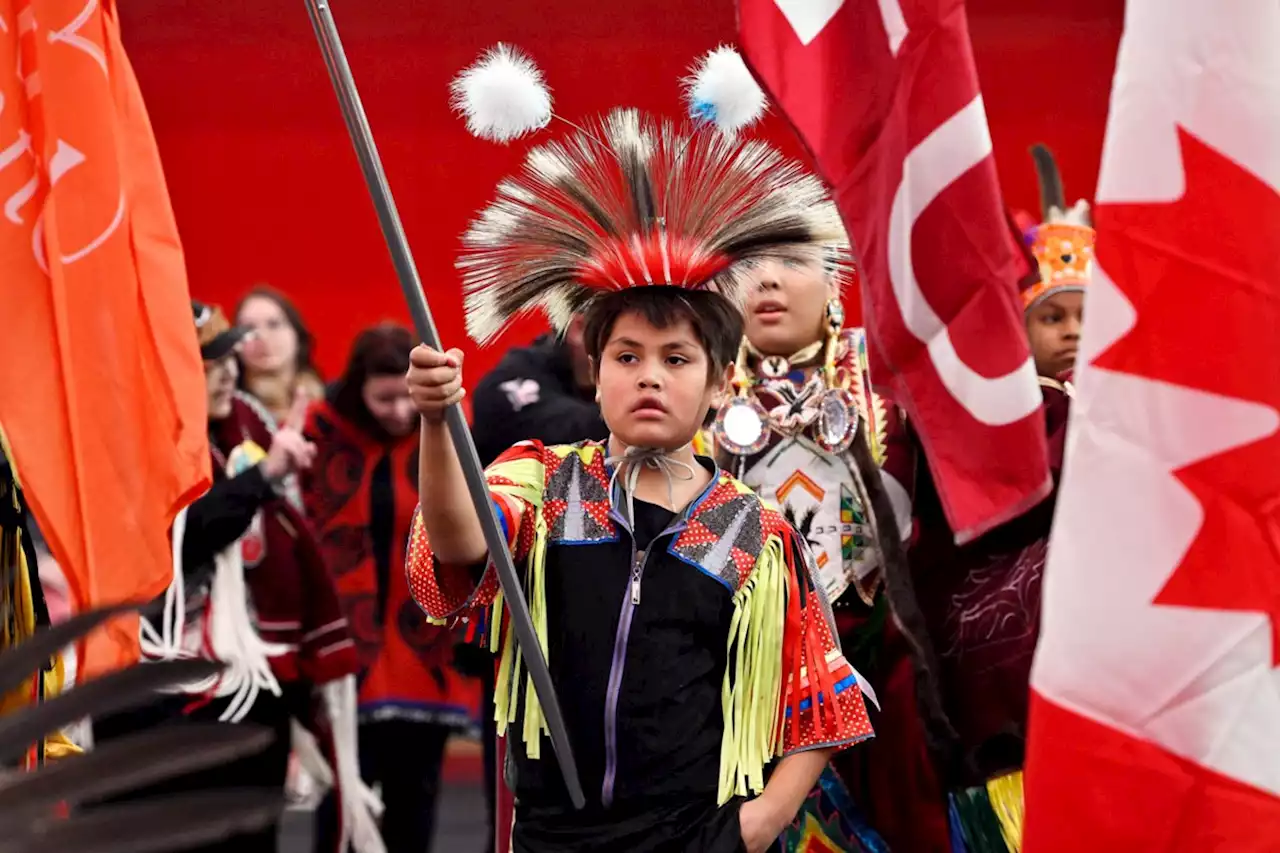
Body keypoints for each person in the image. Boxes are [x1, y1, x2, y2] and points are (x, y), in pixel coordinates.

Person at [405, 105, 876, 853]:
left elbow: (828, 699)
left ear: (722, 383)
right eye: (627, 357)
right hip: (554, 835)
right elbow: (461, 547)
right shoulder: (540, 483)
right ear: (595, 379)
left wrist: (758, 824)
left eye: (676, 359)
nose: (649, 377)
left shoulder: (753, 531)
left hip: (693, 835)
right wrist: (438, 422)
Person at [94, 301, 374, 853]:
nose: (225, 371)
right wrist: (265, 478)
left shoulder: (246, 423)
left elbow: (286, 546)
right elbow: (181, 539)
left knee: (249, 835)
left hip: (252, 677)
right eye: (205, 360)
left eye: (227, 357)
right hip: (160, 686)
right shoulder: (136, 445)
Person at [710, 253, 953, 852]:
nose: (766, 280)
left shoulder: (896, 377)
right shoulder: (698, 383)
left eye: (792, 262)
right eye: (748, 266)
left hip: (885, 670)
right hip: (741, 679)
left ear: (835, 281)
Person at [908, 147, 1092, 852]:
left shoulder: (1128, 414)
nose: (1073, 330)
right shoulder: (999, 415)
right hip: (1007, 681)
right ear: (1018, 331)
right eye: (1053, 318)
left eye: (1086, 314)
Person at [303, 322, 480, 853]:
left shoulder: (445, 431)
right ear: (357, 388)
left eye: (405, 398)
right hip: (342, 649)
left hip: (421, 648)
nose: (399, 412)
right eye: (383, 400)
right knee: (340, 798)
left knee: (415, 797)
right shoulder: (321, 430)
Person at [236, 286, 326, 428]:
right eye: (249, 328)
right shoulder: (231, 411)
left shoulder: (330, 401)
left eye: (274, 324)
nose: (262, 337)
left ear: (296, 334)